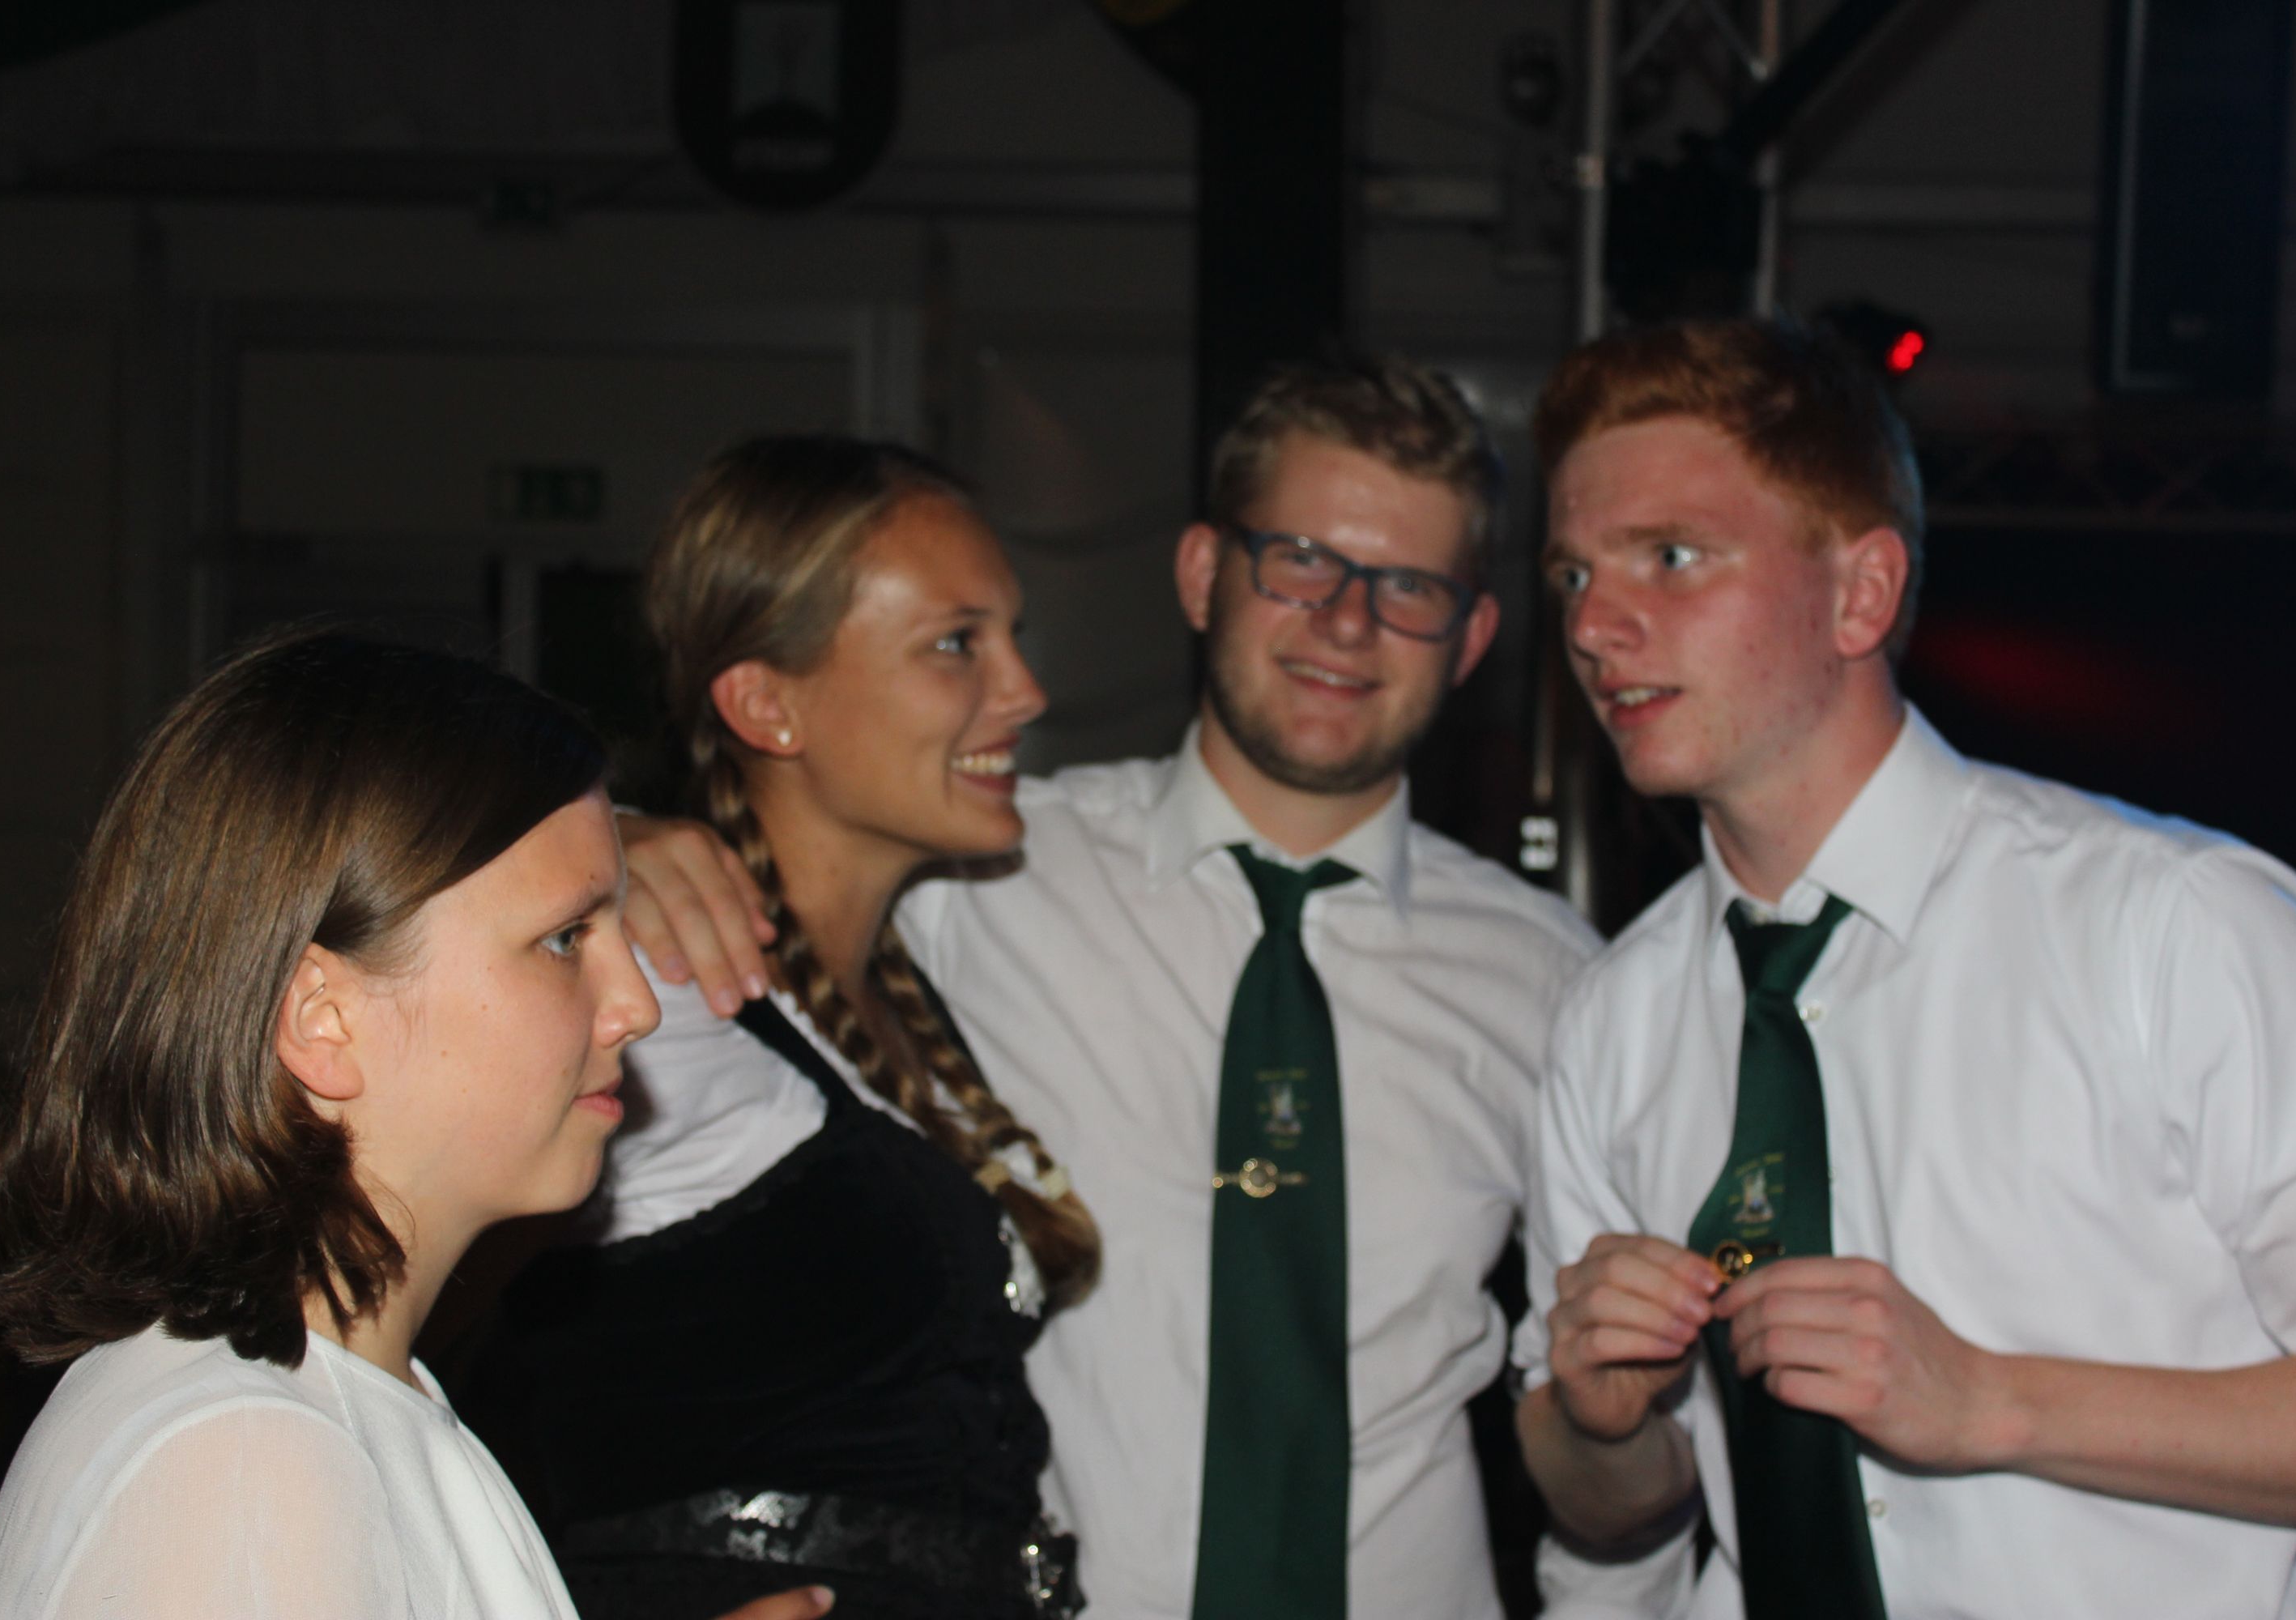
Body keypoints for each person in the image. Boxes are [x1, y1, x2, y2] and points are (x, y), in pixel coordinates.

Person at [623, 358, 1602, 1619]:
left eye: (1409, 587)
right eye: (1301, 560)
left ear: (1472, 638)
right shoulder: (981, 868)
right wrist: (614, 844)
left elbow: (1608, 1408)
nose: (1347, 622)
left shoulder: (1557, 978)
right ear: (1201, 574)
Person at [1514, 316, 2296, 1619]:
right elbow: (1616, 1516)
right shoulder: (1614, 1019)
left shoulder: (2169, 925)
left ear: (1860, 594)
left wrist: (1995, 1400)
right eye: (1572, 575)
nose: (1598, 625)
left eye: (1671, 557)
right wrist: (1600, 1422)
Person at [0, 633, 832, 1620]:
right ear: (324, 1018)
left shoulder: (332, 1404)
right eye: (564, 937)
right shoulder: (248, 1456)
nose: (636, 1006)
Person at [454, 437, 1099, 1620]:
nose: (1024, 691)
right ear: (767, 704)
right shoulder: (655, 999)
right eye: (956, 643)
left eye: (1011, 635)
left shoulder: (905, 995)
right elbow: (373, 1310)